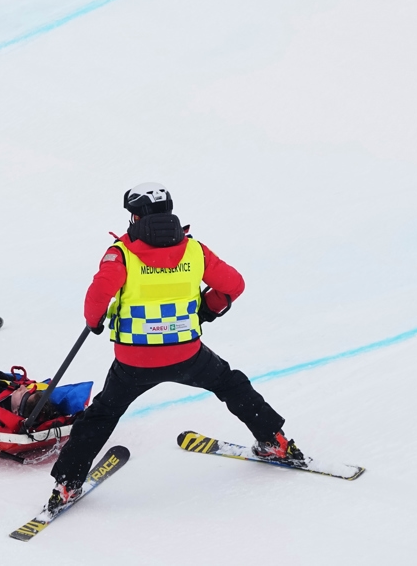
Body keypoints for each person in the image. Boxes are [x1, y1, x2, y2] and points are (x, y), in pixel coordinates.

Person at [47, 182, 302, 508]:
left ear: (136, 216)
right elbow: (233, 285)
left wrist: (95, 321)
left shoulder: (122, 252)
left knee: (102, 415)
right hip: (187, 353)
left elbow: (98, 295)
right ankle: (274, 441)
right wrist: (208, 307)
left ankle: (68, 483)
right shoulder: (195, 250)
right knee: (231, 385)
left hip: (133, 362)